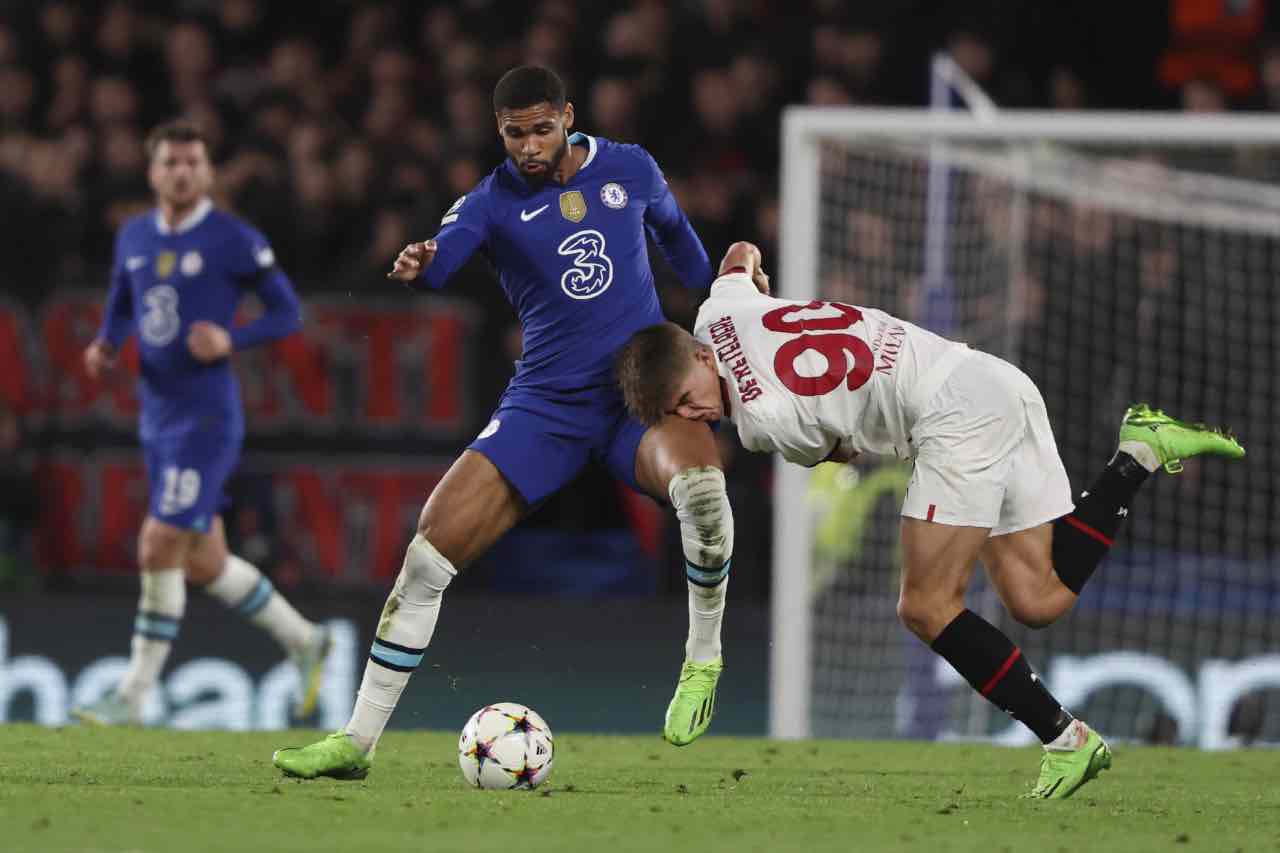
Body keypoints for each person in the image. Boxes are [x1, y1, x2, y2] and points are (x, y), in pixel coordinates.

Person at [614, 241, 1246, 800]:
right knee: (1038, 597)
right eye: (681, 415)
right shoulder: (716, 312)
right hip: (991, 380)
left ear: (699, 356)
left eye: (687, 400)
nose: (698, 416)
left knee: (924, 605)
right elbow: (740, 252)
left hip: (952, 420)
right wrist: (757, 286)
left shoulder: (761, 421)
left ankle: (1067, 739)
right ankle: (1138, 453)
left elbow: (845, 451)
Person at [273, 66, 731, 780]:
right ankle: (355, 743)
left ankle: (702, 660)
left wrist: (723, 297)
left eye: (541, 129)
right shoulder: (488, 203)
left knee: (703, 496)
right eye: (515, 134)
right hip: (544, 405)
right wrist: (423, 259)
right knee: (425, 557)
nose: (528, 146)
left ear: (568, 117)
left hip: (635, 391)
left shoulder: (630, 169)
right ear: (500, 132)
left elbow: (683, 245)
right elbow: (444, 253)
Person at [72, 119, 331, 726]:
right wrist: (108, 343)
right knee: (204, 562)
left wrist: (232, 339)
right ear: (153, 172)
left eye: (192, 162)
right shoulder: (133, 235)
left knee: (158, 540)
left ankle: (133, 695)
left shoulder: (233, 239)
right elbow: (121, 298)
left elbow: (288, 313)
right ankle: (306, 641)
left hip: (205, 416)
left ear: (208, 172)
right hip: (156, 412)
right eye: (170, 163)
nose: (182, 172)